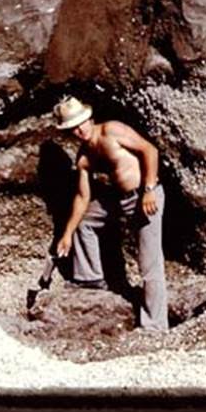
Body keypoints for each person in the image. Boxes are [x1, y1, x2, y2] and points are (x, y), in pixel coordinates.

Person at [53, 95, 168, 332]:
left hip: (144, 196)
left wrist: (148, 189)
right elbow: (82, 197)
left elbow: (150, 150)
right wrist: (66, 234)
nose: (78, 130)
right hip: (119, 199)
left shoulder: (112, 130)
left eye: (80, 123)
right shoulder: (84, 157)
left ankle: (155, 327)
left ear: (89, 118)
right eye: (72, 128)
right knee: (84, 222)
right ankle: (90, 278)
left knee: (149, 264)